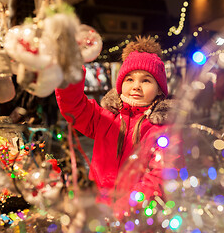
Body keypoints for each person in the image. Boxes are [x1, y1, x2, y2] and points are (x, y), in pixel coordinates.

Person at [55, 36, 180, 218]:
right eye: (129, 79)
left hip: (139, 219)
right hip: (99, 211)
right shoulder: (106, 118)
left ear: (160, 89)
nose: (136, 86)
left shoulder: (164, 130)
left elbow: (160, 176)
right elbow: (74, 106)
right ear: (120, 84)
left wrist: (124, 209)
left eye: (146, 80)